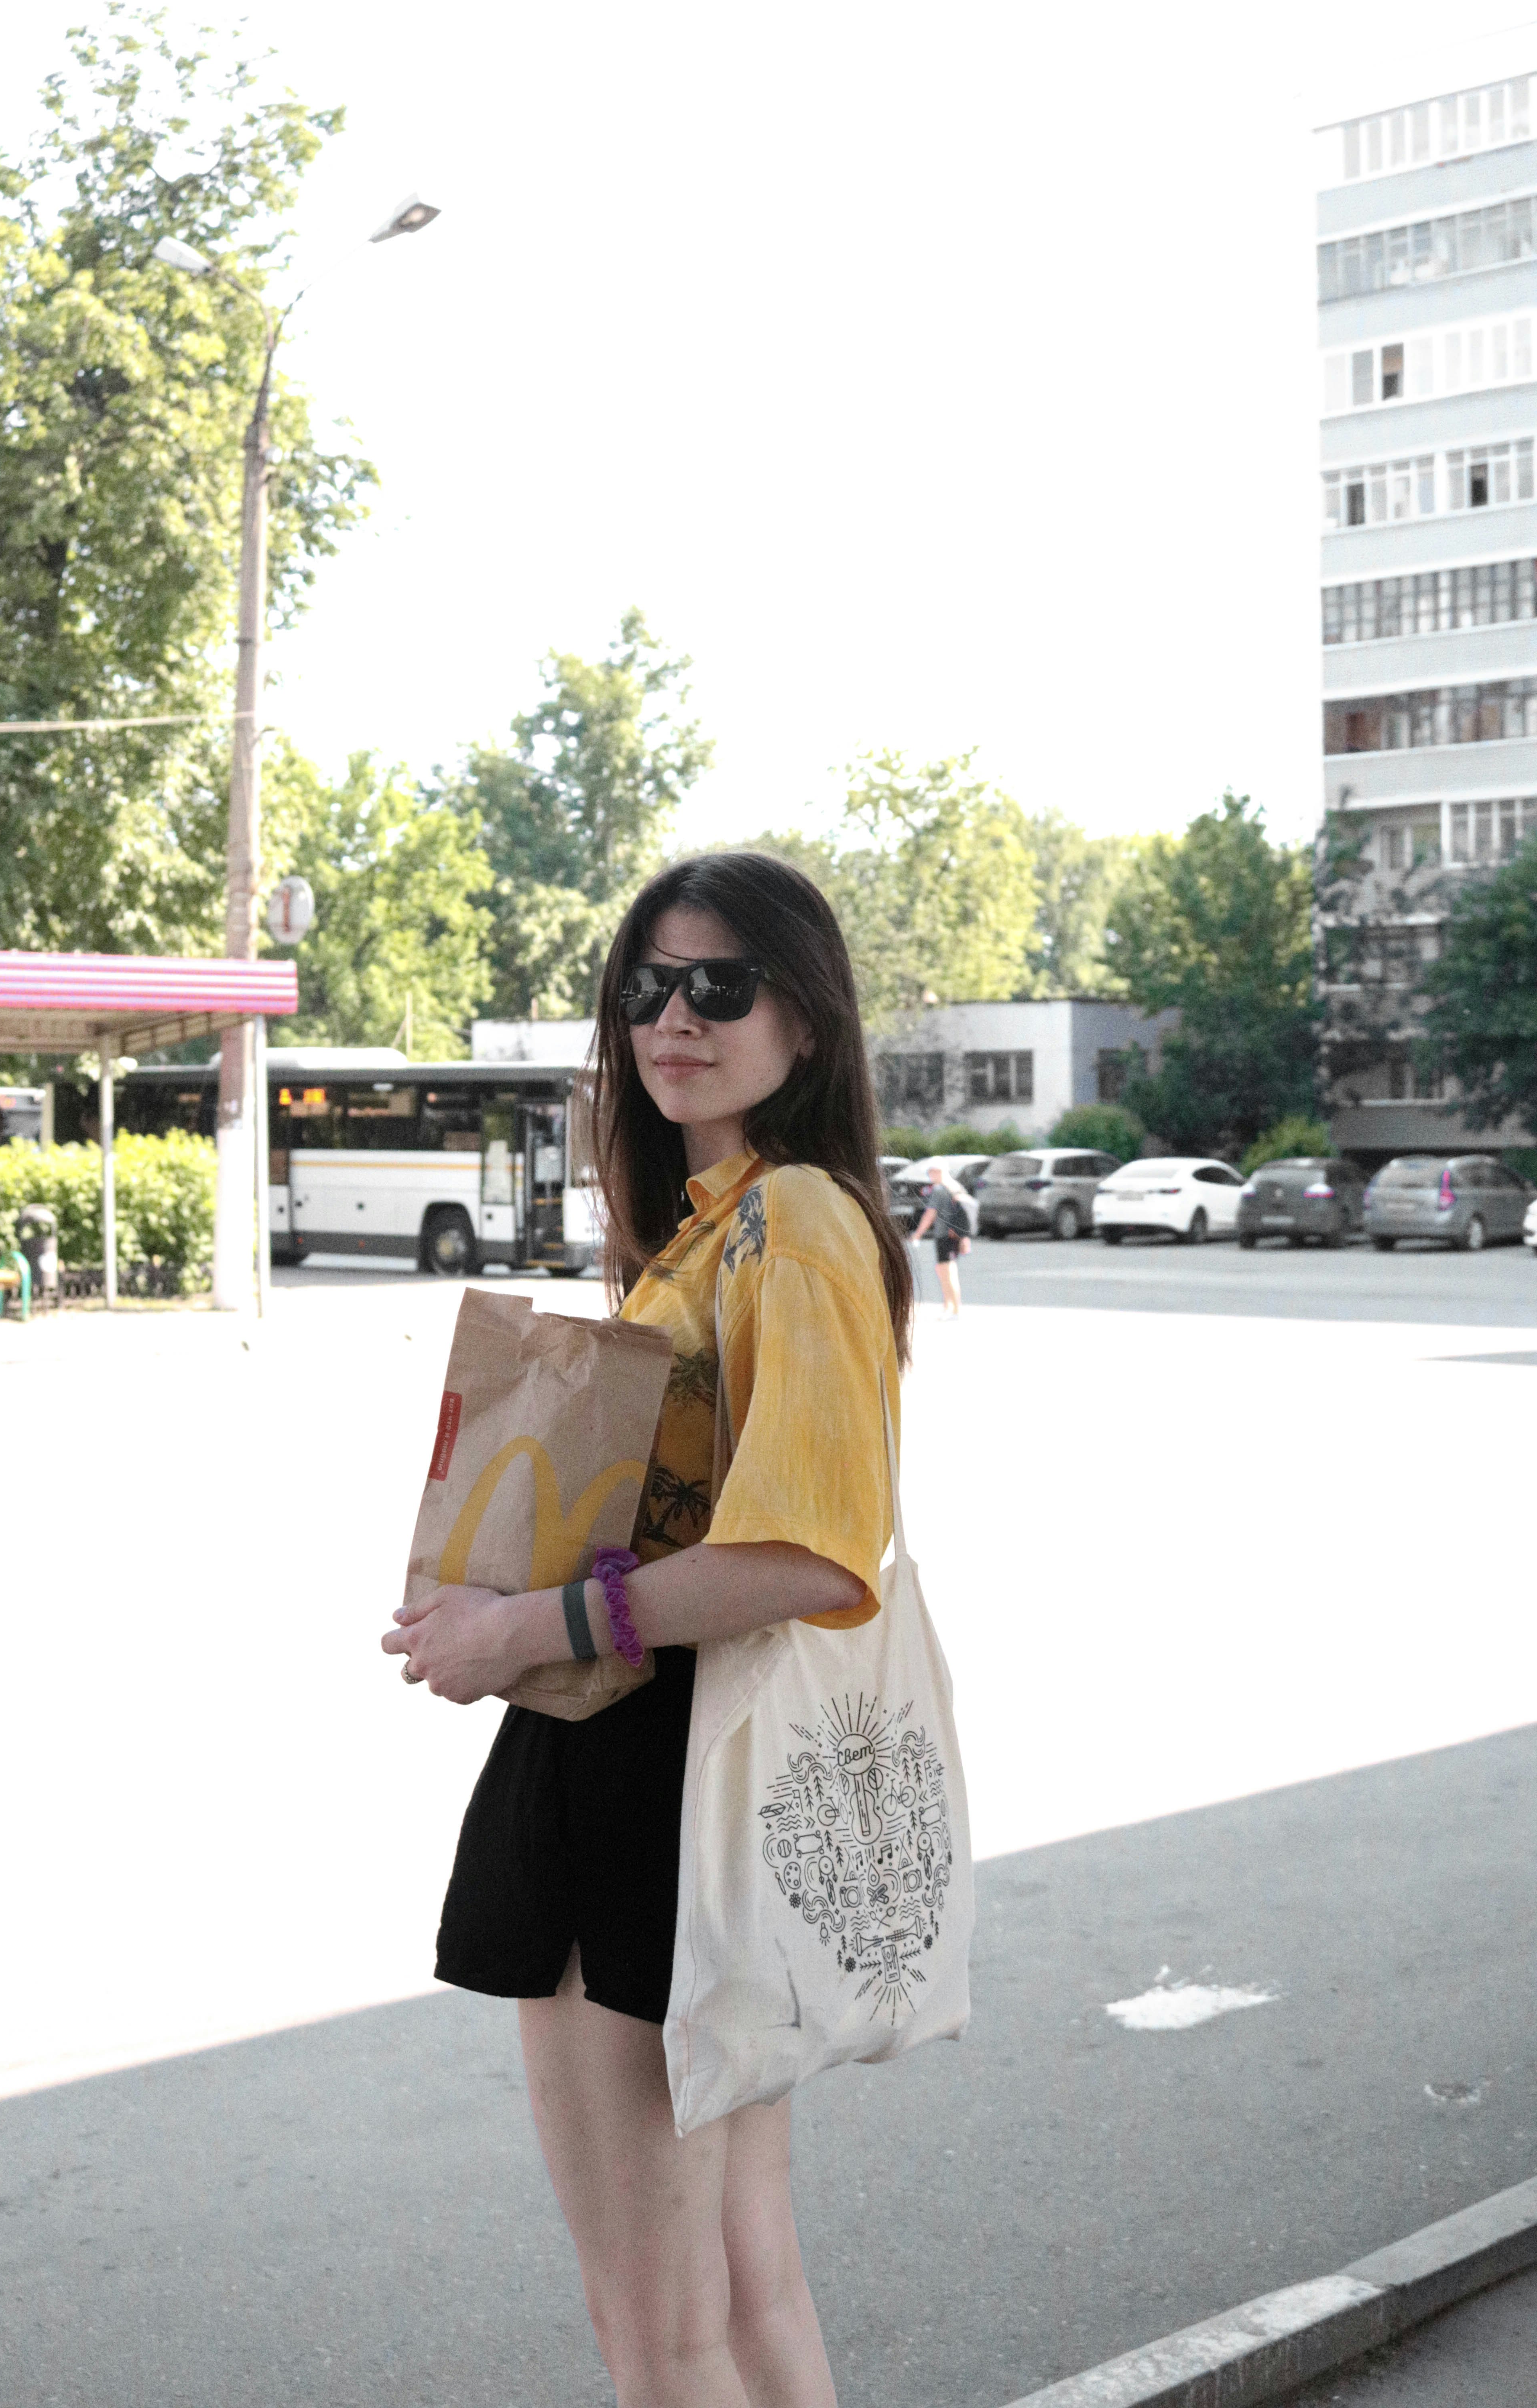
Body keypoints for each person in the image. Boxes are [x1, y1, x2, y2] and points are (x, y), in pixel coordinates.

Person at [382, 851, 914, 2408]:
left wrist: (523, 1623)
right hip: (657, 1776)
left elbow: (812, 1552)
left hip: (650, 1781)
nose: (672, 1018)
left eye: (719, 986)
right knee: (738, 2301)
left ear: (804, 1024)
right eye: (646, 987)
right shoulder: (723, 1220)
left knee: (661, 2328)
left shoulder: (793, 1222)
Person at [911, 1161, 972, 1317]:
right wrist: (965, 1237)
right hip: (956, 1235)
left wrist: (918, 1234)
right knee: (950, 1270)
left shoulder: (939, 1190)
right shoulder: (956, 1187)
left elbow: (930, 1214)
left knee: (945, 1271)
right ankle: (954, 1308)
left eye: (931, 1173)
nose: (930, 1176)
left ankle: (950, 1308)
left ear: (938, 1172)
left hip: (945, 1236)